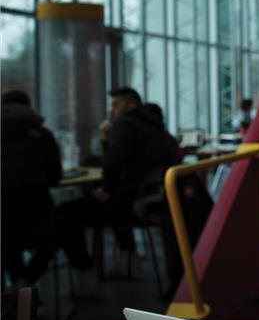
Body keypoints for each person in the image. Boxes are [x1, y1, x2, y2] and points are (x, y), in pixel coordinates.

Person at [59, 87, 178, 272]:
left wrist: (106, 188)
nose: (111, 110)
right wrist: (108, 141)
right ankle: (129, 254)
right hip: (152, 199)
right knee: (109, 198)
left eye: (116, 105)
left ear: (131, 105)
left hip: (131, 204)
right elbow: (121, 160)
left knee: (66, 214)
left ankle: (86, 271)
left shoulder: (125, 123)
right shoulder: (154, 126)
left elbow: (115, 160)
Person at [1, 91, 93, 288]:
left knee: (7, 235)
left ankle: (18, 291)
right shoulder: (43, 135)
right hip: (38, 221)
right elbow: (54, 177)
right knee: (64, 227)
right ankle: (26, 281)